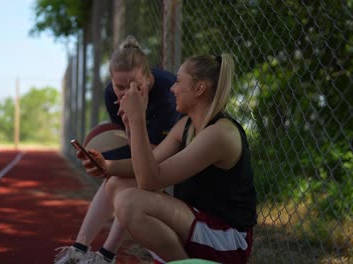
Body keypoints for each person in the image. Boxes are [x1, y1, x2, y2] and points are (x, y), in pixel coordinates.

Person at [80, 54, 257, 263]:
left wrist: (137, 119)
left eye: (179, 81)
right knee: (117, 183)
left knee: (130, 203)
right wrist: (107, 166)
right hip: (197, 223)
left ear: (199, 88)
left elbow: (150, 180)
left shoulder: (220, 134)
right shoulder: (186, 125)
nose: (172, 88)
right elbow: (150, 162)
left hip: (227, 239)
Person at [55, 36, 180, 264]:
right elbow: (130, 146)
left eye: (135, 86)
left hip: (175, 160)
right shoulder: (110, 94)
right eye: (119, 87)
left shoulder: (168, 97)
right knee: (113, 179)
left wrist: (135, 119)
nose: (126, 93)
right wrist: (105, 159)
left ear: (149, 78)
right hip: (143, 152)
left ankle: (105, 254)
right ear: (111, 82)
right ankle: (80, 249)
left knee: (129, 181)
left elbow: (150, 161)